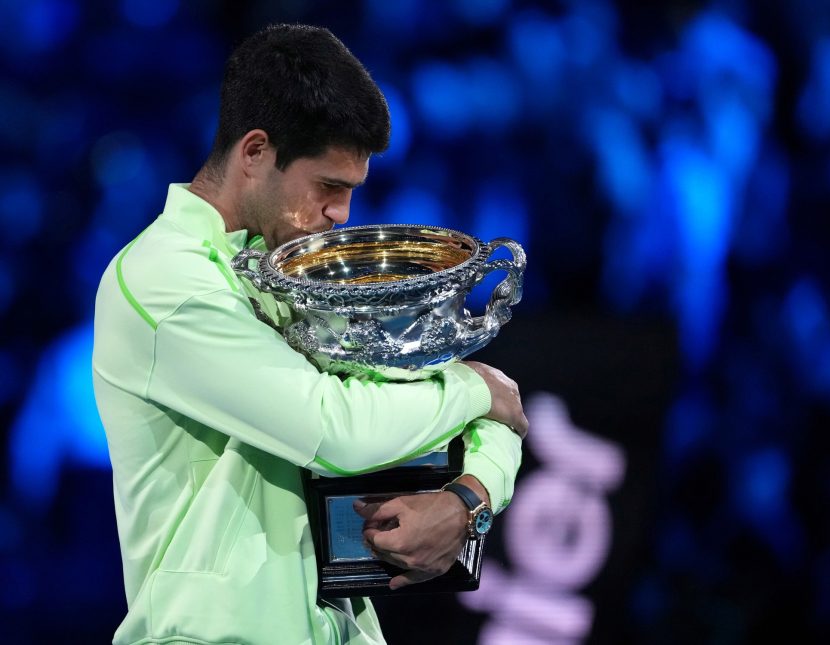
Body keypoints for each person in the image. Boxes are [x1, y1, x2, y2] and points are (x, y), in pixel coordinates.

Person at [93, 23, 526, 645]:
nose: (341, 214)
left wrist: (471, 496)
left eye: (351, 191)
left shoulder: (297, 272)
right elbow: (337, 431)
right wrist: (473, 388)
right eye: (328, 187)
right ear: (254, 152)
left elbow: (486, 411)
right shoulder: (165, 279)